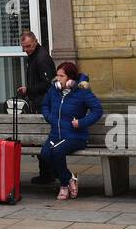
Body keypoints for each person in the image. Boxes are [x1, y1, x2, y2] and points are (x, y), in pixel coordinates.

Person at [40, 62, 104, 201]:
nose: (58, 79)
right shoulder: (53, 90)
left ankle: (63, 186)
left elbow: (98, 110)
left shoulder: (82, 91)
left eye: (61, 76)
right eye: (57, 75)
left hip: (76, 136)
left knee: (57, 152)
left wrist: (81, 122)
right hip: (56, 134)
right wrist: (50, 117)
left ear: (70, 79)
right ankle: (69, 178)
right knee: (45, 155)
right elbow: (45, 105)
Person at [17, 30, 57, 186]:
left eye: (29, 46)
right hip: (39, 102)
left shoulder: (42, 58)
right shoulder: (34, 57)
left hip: (44, 104)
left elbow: (48, 83)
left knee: (42, 139)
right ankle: (46, 172)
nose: (27, 50)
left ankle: (48, 174)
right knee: (40, 140)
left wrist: (29, 90)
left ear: (35, 41)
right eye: (24, 47)